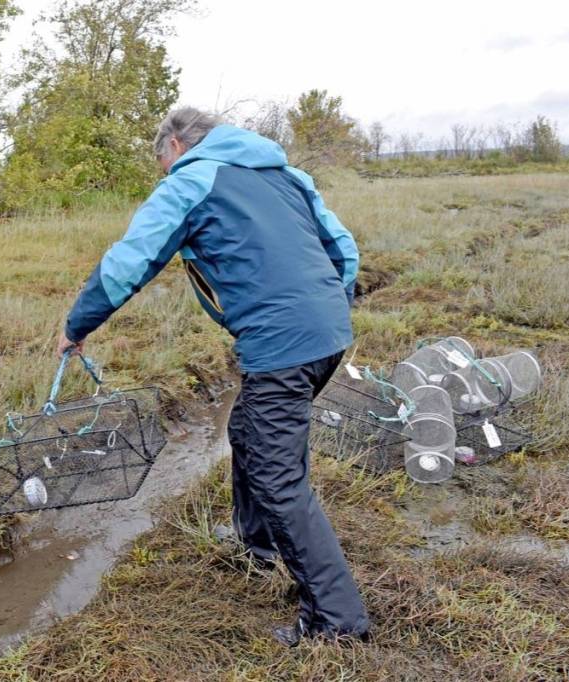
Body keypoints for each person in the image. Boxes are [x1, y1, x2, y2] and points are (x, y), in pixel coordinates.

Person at [55, 107, 370, 645]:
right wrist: (324, 309)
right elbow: (344, 251)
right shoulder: (286, 175)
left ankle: (337, 620)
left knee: (278, 477)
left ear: (175, 144)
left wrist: (76, 326)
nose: (163, 175)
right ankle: (258, 543)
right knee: (246, 429)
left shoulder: (193, 179)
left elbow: (128, 262)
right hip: (327, 333)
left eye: (162, 164)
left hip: (283, 344)